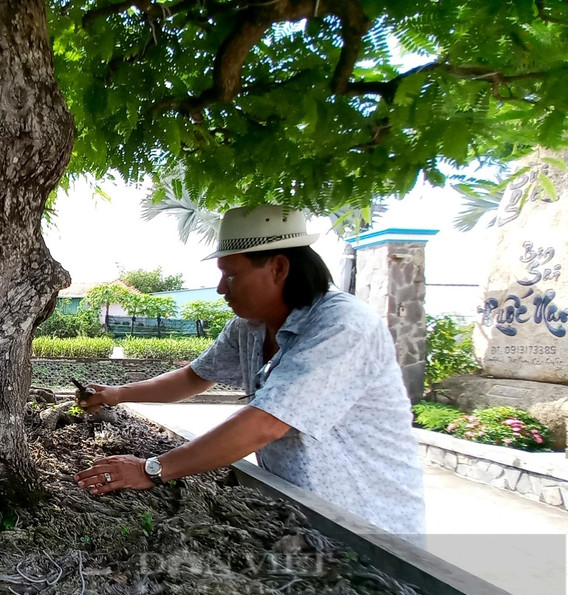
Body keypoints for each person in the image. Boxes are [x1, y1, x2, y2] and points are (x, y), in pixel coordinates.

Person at [74, 205, 426, 539]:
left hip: (371, 529)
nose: (221, 289)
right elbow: (195, 377)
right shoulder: (250, 326)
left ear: (278, 268)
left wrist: (151, 468)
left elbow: (266, 423)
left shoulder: (342, 326)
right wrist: (118, 394)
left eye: (231, 276)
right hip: (298, 517)